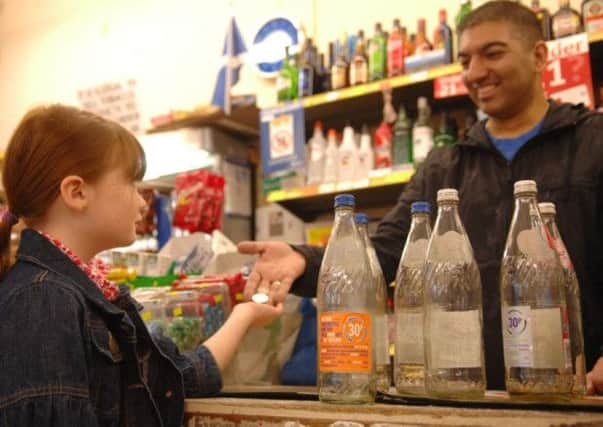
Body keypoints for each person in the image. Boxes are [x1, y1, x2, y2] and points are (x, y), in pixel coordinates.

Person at [239, 1, 603, 395]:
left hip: (579, 394)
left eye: (492, 53)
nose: (475, 72)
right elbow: (384, 254)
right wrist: (302, 260)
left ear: (538, 56)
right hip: (471, 396)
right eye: (465, 60)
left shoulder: (592, 142)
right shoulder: (445, 166)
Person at [0, 105, 283, 426]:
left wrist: (244, 314)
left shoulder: (91, 295)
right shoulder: (43, 300)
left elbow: (179, 378)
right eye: (132, 183)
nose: (142, 200)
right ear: (77, 192)